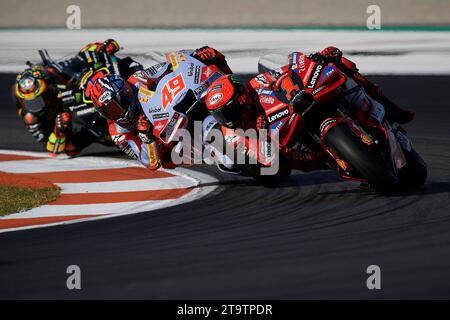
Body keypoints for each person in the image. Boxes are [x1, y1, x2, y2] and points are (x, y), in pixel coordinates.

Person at [204, 47, 415, 171]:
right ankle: (345, 162)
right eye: (220, 114)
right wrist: (265, 143)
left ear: (242, 99)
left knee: (335, 61)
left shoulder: (256, 86)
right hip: (301, 149)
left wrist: (312, 62)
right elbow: (266, 165)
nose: (227, 118)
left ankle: (389, 109)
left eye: (228, 111)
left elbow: (282, 72)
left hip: (302, 105)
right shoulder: (234, 133)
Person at [90, 46, 232, 170]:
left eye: (113, 108)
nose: (113, 115)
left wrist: (194, 56)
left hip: (173, 108)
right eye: (106, 112)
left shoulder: (136, 80)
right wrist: (147, 139)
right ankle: (215, 150)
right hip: (168, 144)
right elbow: (149, 163)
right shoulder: (117, 132)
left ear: (125, 94)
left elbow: (167, 67)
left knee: (211, 61)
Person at [13, 39, 125, 156]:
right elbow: (52, 150)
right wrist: (58, 131)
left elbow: (79, 58)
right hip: (64, 125)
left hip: (75, 99)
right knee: (70, 148)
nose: (35, 105)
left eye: (39, 98)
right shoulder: (30, 117)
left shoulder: (53, 75)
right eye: (30, 101)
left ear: (48, 88)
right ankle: (102, 133)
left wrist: (99, 48)